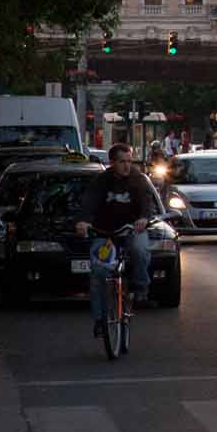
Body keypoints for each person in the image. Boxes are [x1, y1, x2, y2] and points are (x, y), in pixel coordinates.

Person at [74, 143, 156, 338]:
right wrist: (83, 221)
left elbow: (147, 202)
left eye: (129, 161)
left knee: (140, 250)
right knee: (98, 273)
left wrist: (144, 218)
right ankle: (100, 320)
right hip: (105, 233)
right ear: (112, 163)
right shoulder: (101, 181)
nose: (127, 166)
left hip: (131, 230)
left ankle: (140, 286)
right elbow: (89, 202)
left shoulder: (138, 179)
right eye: (122, 162)